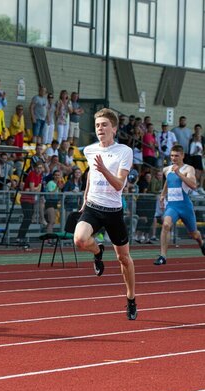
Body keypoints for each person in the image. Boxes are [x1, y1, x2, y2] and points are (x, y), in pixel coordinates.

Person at [73, 108, 137, 320]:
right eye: (97, 125)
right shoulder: (90, 150)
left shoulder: (124, 151)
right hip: (93, 206)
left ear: (114, 128)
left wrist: (103, 169)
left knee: (123, 258)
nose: (100, 128)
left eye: (104, 125)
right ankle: (98, 251)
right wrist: (84, 198)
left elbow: (119, 185)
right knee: (80, 240)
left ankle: (130, 299)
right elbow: (91, 174)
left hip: (113, 211)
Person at [153, 145, 205, 265]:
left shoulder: (188, 169)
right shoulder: (167, 169)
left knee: (193, 233)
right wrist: (162, 194)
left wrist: (179, 173)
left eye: (176, 155)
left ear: (182, 155)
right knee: (166, 225)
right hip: (172, 206)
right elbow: (168, 181)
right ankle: (163, 256)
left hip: (185, 206)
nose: (174, 158)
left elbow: (193, 185)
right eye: (172, 155)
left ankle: (201, 242)